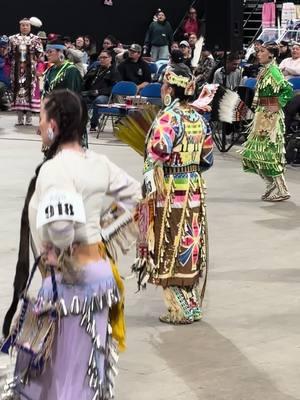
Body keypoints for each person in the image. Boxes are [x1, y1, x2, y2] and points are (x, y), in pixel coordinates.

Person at [1, 89, 141, 399]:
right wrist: (99, 233)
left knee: (63, 375)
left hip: (71, 284)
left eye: (40, 118)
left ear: (53, 125)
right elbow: (136, 197)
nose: (38, 126)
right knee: (81, 372)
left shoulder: (56, 169)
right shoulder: (98, 162)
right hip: (100, 279)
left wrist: (60, 248)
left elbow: (62, 227)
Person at [134, 66, 213, 324]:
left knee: (169, 240)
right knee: (189, 239)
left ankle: (181, 309)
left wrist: (149, 181)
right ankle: (191, 303)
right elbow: (207, 159)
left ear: (170, 90)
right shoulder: (198, 118)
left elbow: (157, 151)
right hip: (194, 187)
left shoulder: (168, 118)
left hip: (169, 188)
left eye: (164, 87)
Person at [240, 42, 293, 202]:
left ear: (270, 54)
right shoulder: (266, 70)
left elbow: (288, 90)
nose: (258, 54)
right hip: (262, 114)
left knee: (268, 152)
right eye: (259, 51)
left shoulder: (275, 72)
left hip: (269, 116)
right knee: (253, 153)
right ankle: (271, 185)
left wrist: (276, 105)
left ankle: (282, 189)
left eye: (262, 51)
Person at [9, 18, 44, 126]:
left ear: (30, 27)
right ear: (20, 26)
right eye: (23, 25)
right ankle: (19, 118)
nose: (25, 27)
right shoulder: (12, 38)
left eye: (27, 25)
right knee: (18, 93)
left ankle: (29, 119)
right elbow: (9, 54)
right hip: (17, 71)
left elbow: (41, 56)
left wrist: (39, 69)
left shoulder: (36, 39)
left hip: (31, 71)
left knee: (30, 92)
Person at [82, 50, 120, 132]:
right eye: (100, 58)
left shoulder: (114, 71)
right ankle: (78, 122)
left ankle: (93, 124)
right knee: (77, 97)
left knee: (99, 100)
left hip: (106, 96)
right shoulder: (95, 68)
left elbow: (113, 88)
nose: (102, 59)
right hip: (90, 93)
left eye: (104, 57)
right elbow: (85, 81)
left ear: (110, 58)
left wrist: (99, 92)